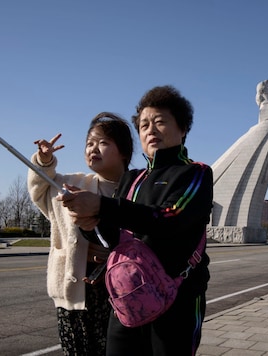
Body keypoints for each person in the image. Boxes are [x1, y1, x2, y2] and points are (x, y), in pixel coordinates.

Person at [58, 85, 214, 356]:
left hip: (177, 298)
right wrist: (89, 223)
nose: (150, 130)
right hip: (127, 299)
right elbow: (114, 237)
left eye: (160, 122)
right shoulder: (132, 178)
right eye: (143, 125)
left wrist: (102, 205)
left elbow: (171, 218)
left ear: (183, 128)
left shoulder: (196, 173)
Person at [27, 112, 134, 356]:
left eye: (103, 142)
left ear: (124, 152)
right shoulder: (72, 183)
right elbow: (41, 186)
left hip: (125, 292)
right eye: (89, 143)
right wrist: (44, 160)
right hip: (78, 295)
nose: (93, 148)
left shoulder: (139, 188)